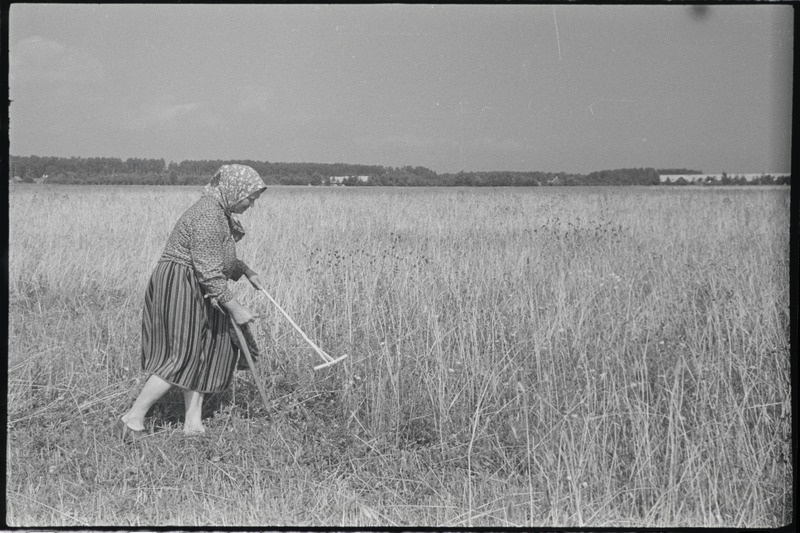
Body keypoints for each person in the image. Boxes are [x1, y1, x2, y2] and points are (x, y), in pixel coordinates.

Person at [119, 164, 267, 440]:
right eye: (250, 198)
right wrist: (234, 306)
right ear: (236, 191)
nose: (251, 204)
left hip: (196, 282)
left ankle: (193, 422)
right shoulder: (208, 215)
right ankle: (133, 418)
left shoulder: (219, 212)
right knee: (181, 355)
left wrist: (245, 271)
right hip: (182, 284)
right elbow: (208, 268)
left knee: (207, 349)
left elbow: (219, 258)